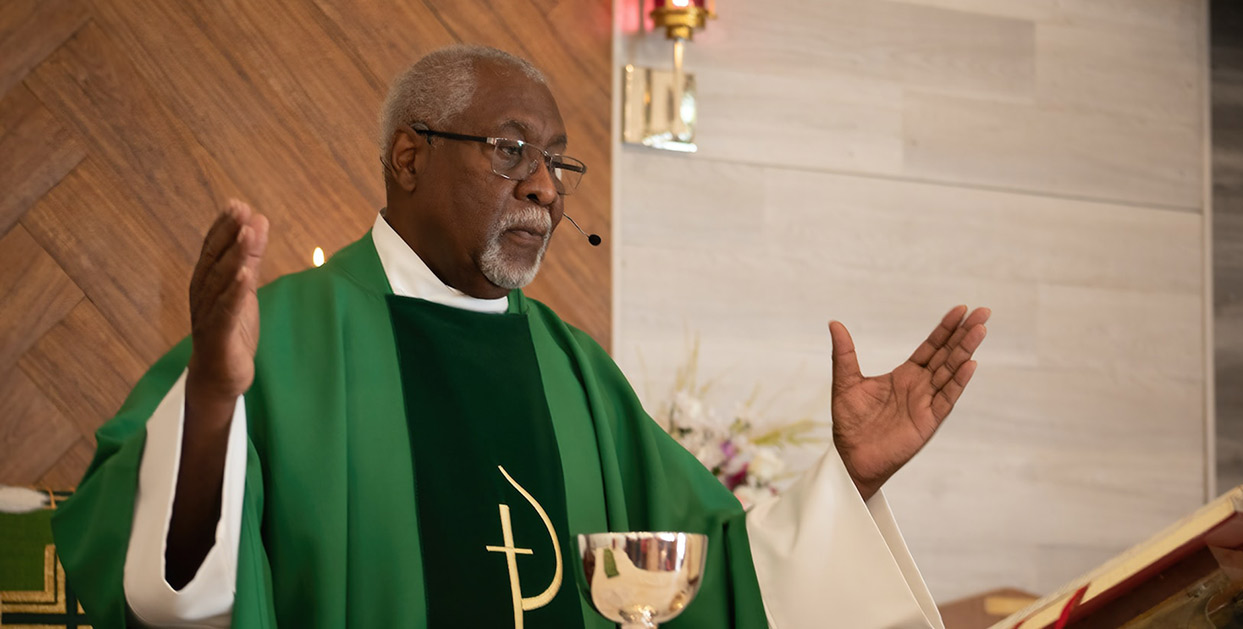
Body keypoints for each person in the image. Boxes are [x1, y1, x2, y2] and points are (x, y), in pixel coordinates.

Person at [52, 45, 989, 628]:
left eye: (558, 162)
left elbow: (720, 579)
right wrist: (214, 399)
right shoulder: (280, 341)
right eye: (511, 151)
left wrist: (850, 476)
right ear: (410, 156)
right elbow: (166, 590)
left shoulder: (575, 373)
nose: (544, 186)